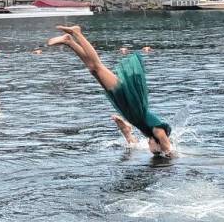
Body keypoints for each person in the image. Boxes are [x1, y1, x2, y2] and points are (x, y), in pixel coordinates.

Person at [47, 25, 173, 156]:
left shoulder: (151, 134)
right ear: (159, 144)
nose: (148, 146)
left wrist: (126, 130)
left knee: (93, 70)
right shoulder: (159, 132)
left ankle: (69, 41)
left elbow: (141, 144)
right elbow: (169, 150)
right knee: (97, 66)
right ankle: (77, 33)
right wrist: (167, 153)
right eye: (152, 148)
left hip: (128, 107)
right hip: (129, 98)